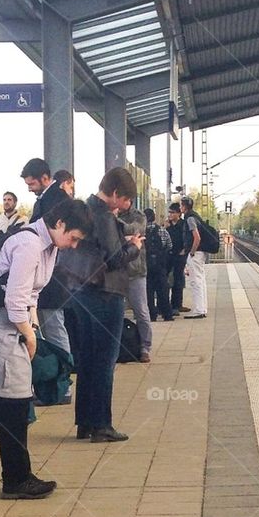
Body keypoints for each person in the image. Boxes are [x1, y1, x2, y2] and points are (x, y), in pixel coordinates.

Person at [0, 198, 91, 497]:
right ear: (59, 223)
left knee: (17, 396)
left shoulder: (46, 247)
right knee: (14, 397)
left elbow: (30, 295)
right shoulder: (29, 245)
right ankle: (15, 479)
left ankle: (18, 476)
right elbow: (14, 301)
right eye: (73, 238)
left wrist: (30, 328)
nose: (73, 245)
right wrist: (31, 335)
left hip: (8, 322)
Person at [65, 168, 143, 442]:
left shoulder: (84, 209)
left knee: (86, 359)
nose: (127, 205)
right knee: (105, 361)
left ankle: (85, 422)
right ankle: (102, 426)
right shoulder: (104, 216)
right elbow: (113, 259)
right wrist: (134, 246)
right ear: (113, 194)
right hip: (105, 294)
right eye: (126, 199)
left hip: (80, 293)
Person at [21, 159, 71, 358]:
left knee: (54, 332)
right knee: (48, 331)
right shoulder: (48, 199)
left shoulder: (56, 200)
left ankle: (63, 381)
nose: (29, 189)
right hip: (48, 276)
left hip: (53, 276)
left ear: (44, 178)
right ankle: (57, 379)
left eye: (31, 184)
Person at [120, 201, 153, 363]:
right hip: (116, 272)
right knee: (117, 311)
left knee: (141, 311)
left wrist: (118, 231)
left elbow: (135, 230)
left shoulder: (139, 216)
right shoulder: (111, 213)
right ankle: (121, 346)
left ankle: (145, 347)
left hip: (136, 271)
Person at [181, 195, 207, 318]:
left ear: (184, 206)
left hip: (195, 253)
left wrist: (191, 252)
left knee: (195, 281)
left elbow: (197, 237)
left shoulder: (190, 219)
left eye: (181, 205)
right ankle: (202, 308)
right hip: (200, 253)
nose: (180, 207)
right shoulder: (196, 216)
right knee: (200, 280)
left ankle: (198, 310)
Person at [145, 209, 174, 324]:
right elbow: (170, 245)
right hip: (160, 266)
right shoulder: (162, 230)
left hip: (147, 266)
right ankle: (167, 314)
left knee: (149, 291)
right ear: (154, 217)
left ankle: (152, 315)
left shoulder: (142, 232)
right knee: (163, 290)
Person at [167, 202, 190, 314]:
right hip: (168, 255)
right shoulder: (167, 225)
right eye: (169, 212)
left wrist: (184, 250)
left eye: (172, 212)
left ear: (179, 213)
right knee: (166, 280)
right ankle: (167, 304)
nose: (170, 214)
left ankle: (177, 304)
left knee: (178, 280)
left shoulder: (183, 224)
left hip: (179, 255)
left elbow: (187, 238)